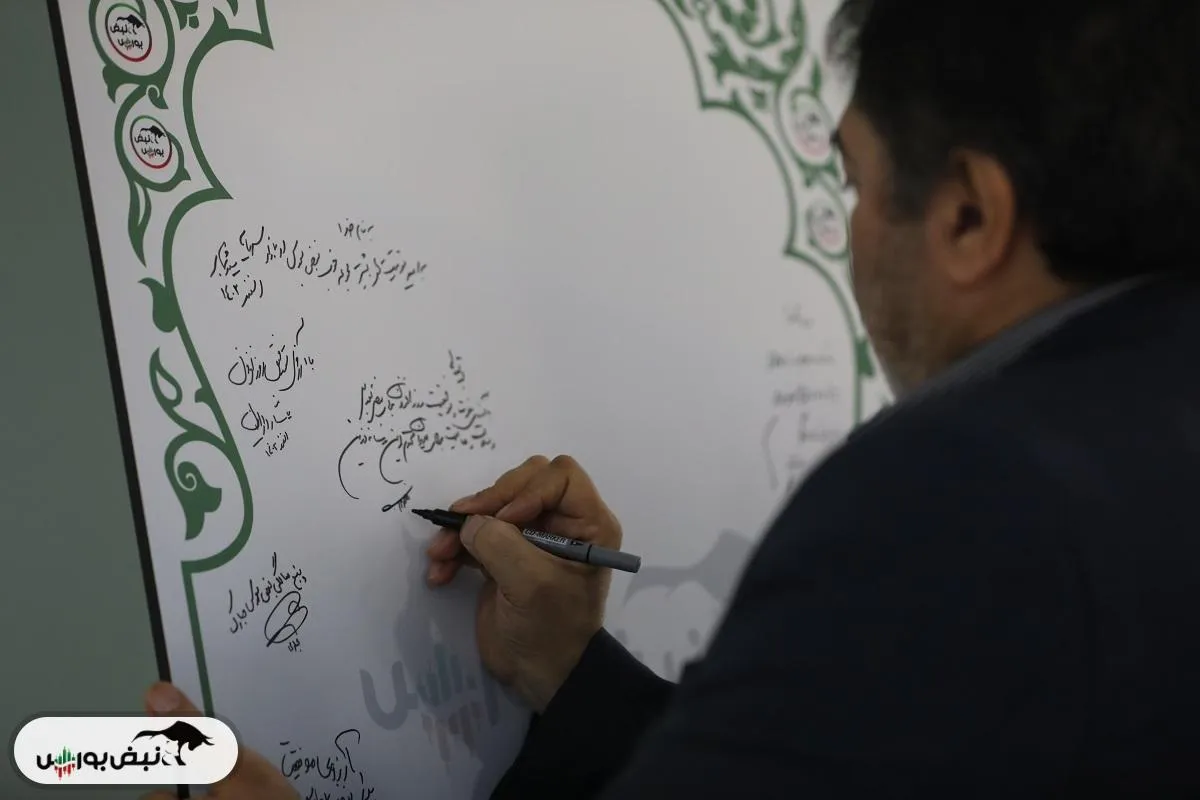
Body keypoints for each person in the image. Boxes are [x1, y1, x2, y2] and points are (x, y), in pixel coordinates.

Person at [139, 0, 1200, 797]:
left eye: (856, 182)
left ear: (969, 215)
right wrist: (575, 675)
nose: (850, 234)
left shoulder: (956, 489)